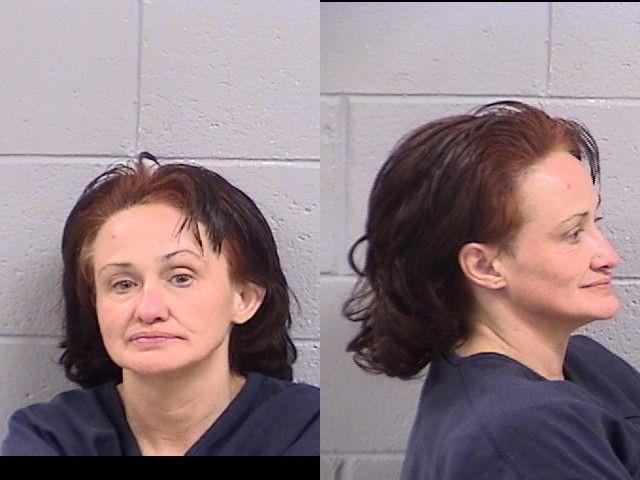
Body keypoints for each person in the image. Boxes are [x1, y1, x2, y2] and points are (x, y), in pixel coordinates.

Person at [343, 101, 640, 479]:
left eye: (595, 221)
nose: (609, 256)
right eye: (572, 234)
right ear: (484, 266)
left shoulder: (584, 362)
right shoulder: (522, 432)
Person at [1, 152, 319, 456]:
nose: (149, 310)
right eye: (123, 284)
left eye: (181, 278)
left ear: (245, 299)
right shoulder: (50, 437)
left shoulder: (307, 428)